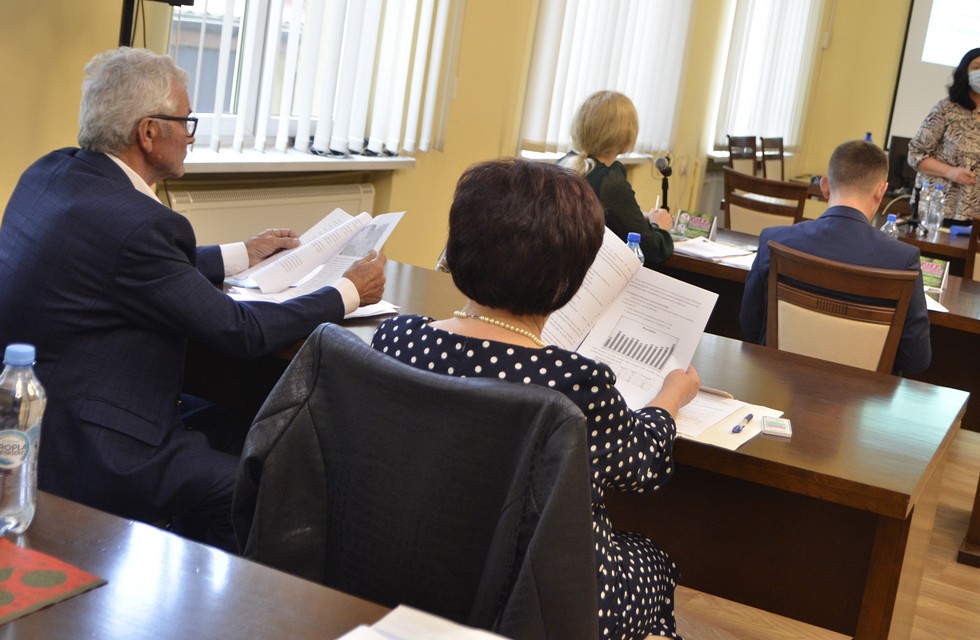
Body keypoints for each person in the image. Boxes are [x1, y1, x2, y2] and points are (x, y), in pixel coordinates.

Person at [0, 47, 387, 549]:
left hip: (41, 421)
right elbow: (241, 332)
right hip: (100, 448)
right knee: (258, 485)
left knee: (246, 425)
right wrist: (347, 292)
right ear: (148, 132)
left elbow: (118, 262)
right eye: (186, 122)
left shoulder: (51, 172)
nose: (191, 136)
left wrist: (240, 254)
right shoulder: (140, 226)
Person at [372, 159, 699, 640]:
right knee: (654, 561)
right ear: (571, 279)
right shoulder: (575, 382)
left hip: (407, 563)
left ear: (457, 248)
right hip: (535, 596)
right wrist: (670, 397)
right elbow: (642, 466)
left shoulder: (397, 337)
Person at [739, 139, 931, 376]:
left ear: (825, 186)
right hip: (863, 395)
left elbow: (750, 325)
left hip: (777, 385)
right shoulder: (902, 259)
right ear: (881, 191)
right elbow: (915, 358)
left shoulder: (774, 240)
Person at [908, 47, 980, 224]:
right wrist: (950, 172)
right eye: (976, 67)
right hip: (942, 209)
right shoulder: (947, 109)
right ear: (964, 74)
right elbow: (915, 154)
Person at [560, 90, 674, 264]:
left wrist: (638, 217)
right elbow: (650, 248)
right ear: (626, 134)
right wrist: (659, 226)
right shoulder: (610, 181)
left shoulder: (562, 164)